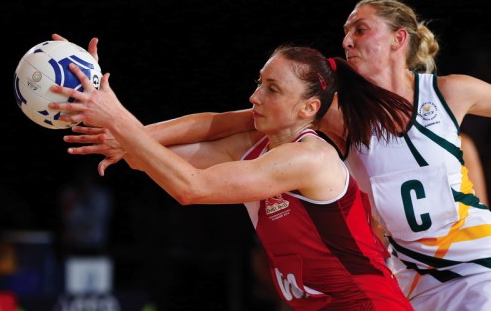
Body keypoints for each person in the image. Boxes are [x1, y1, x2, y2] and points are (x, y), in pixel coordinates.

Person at [54, 0, 491, 311]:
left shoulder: (452, 92)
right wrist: (131, 132)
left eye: (360, 29)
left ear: (399, 40)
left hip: (476, 265)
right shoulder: (336, 114)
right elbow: (226, 120)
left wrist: (125, 128)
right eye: (345, 32)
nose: (348, 40)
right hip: (409, 279)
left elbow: (194, 183)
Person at [49, 45, 414, 310]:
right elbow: (151, 161)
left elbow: (190, 187)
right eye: (259, 83)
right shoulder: (253, 147)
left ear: (308, 108)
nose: (255, 96)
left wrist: (119, 121)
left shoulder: (310, 157)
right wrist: (103, 117)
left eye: (272, 89)